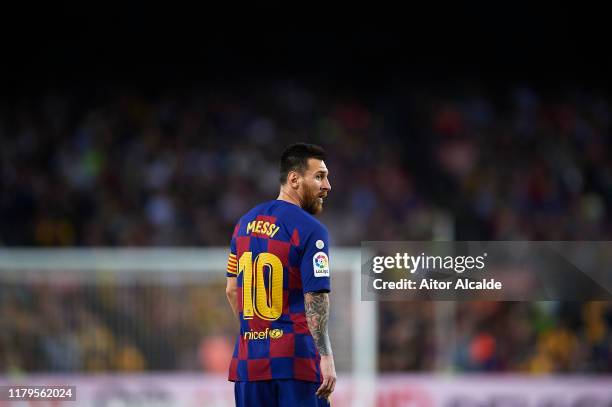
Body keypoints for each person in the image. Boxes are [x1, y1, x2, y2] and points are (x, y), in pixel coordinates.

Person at [225, 143, 336, 407]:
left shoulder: (243, 225)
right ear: (294, 179)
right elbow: (315, 297)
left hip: (249, 364)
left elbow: (231, 290)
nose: (327, 185)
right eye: (319, 176)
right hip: (295, 363)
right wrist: (326, 356)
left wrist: (257, 332)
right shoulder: (311, 230)